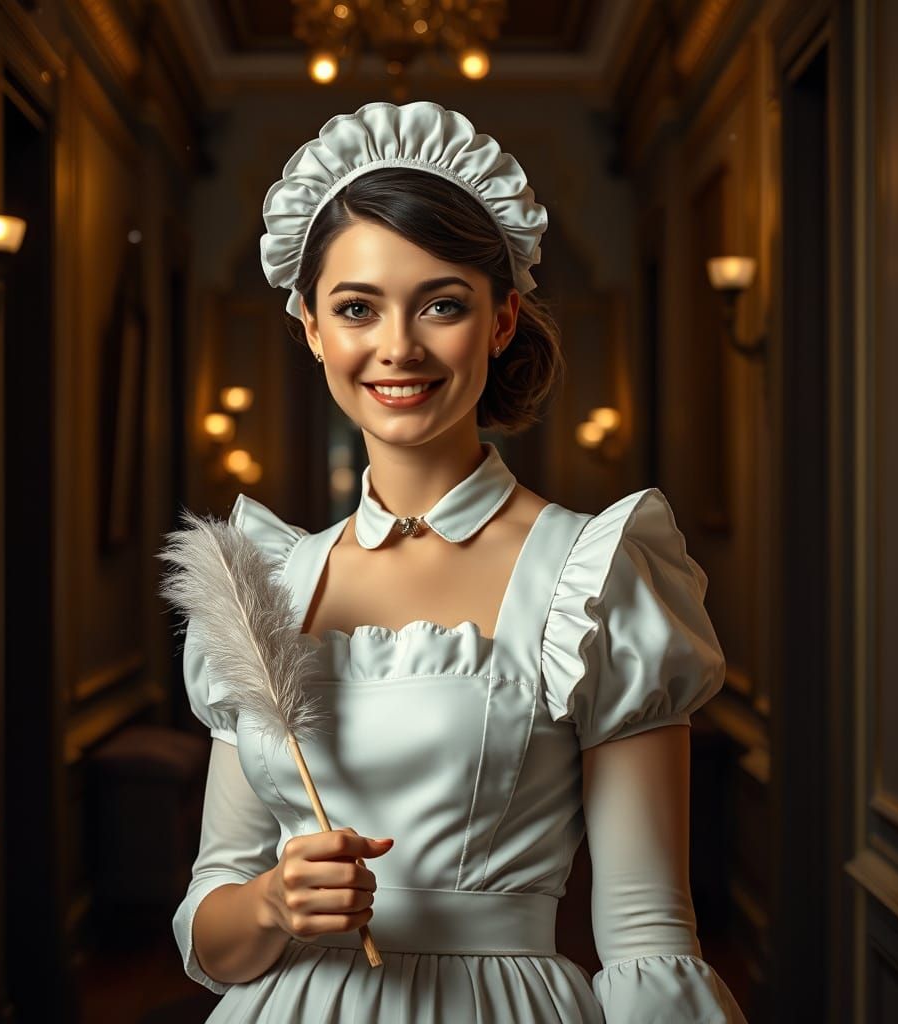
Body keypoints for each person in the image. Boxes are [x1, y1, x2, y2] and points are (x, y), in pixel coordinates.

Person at [172, 100, 748, 1023]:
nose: (397, 346)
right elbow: (210, 924)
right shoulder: (261, 588)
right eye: (356, 308)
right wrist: (274, 904)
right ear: (314, 329)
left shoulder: (594, 576)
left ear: (503, 318)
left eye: (441, 304)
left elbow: (647, 932)